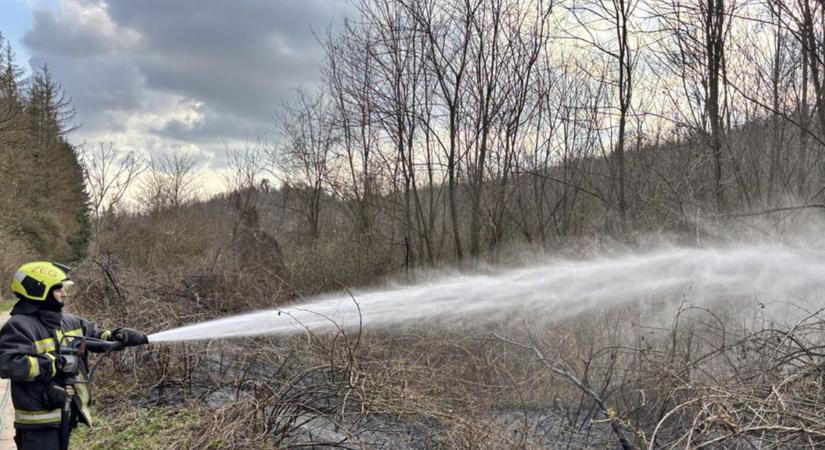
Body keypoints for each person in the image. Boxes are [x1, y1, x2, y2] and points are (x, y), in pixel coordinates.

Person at [0, 261, 148, 450]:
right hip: (38, 423)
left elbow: (94, 335)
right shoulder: (19, 326)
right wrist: (56, 363)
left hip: (64, 414)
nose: (64, 294)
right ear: (39, 290)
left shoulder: (66, 322)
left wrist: (117, 336)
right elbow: (8, 364)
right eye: (58, 289)